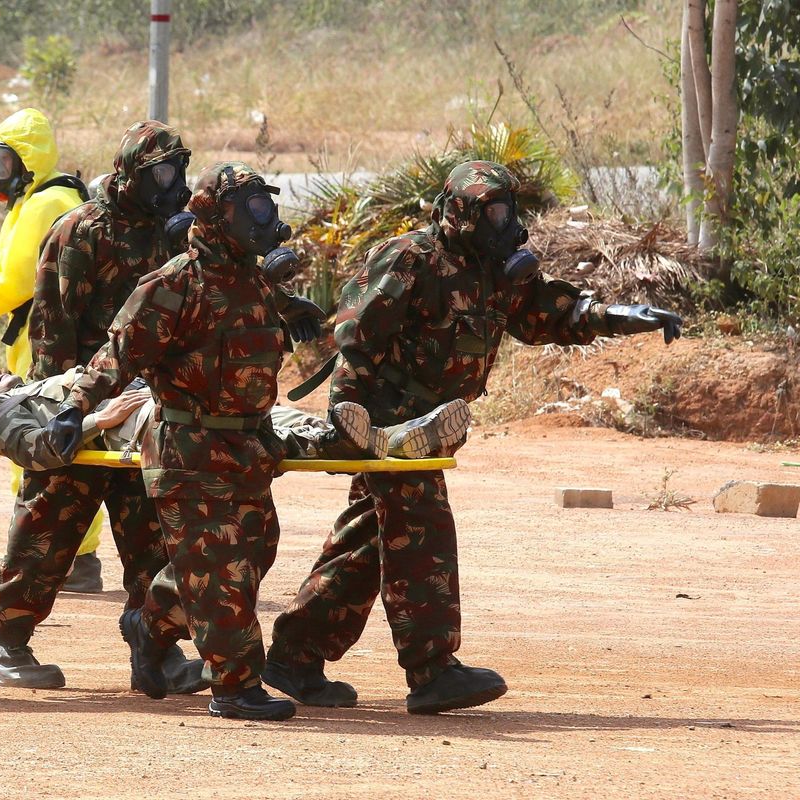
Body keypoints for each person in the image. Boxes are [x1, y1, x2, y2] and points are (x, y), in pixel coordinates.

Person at [264, 160, 684, 714]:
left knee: (369, 539)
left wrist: (623, 315)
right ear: (460, 212)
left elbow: (549, 315)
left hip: (428, 426)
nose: (505, 223)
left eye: (509, 211)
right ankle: (432, 669)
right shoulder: (412, 259)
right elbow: (353, 334)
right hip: (389, 423)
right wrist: (358, 418)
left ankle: (294, 655)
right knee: (422, 531)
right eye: (493, 212)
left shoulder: (496, 270)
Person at [51, 162, 327, 721]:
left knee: (249, 555)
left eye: (263, 206)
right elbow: (117, 353)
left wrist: (298, 310)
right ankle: (235, 685)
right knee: (222, 570)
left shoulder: (254, 280)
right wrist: (76, 407)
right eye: (247, 207)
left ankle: (149, 625)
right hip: (189, 448)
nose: (260, 218)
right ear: (214, 214)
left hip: (249, 448)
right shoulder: (174, 282)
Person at [0, 120, 205, 692]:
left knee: (152, 534)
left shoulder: (176, 233)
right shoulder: (80, 231)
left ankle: (154, 653)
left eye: (177, 171)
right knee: (47, 526)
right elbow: (54, 326)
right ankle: (10, 645)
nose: (171, 183)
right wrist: (68, 410)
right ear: (131, 173)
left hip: (145, 410)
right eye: (160, 172)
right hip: (81, 401)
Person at [0, 108, 103, 596]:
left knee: (27, 442)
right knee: (62, 448)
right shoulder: (44, 197)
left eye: (6, 164)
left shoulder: (46, 202)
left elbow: (13, 282)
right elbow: (4, 262)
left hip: (46, 341)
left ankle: (47, 559)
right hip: (48, 336)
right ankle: (71, 559)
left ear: (29, 160)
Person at [0, 356, 470, 467]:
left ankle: (387, 437)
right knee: (249, 429)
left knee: (261, 415)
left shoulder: (36, 385)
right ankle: (343, 439)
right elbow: (39, 453)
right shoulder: (6, 415)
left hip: (154, 399)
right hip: (139, 423)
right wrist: (98, 418)